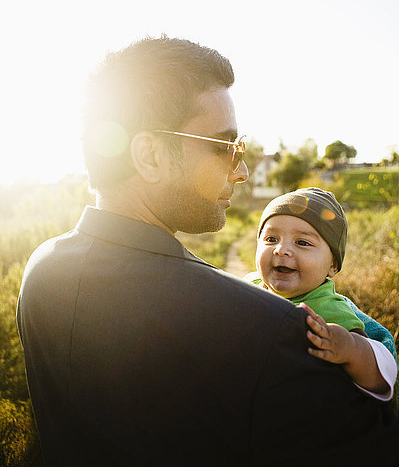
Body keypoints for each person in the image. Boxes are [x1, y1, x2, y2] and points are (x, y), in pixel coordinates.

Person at [17, 37, 399, 467]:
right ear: (151, 156)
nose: (242, 170)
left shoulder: (41, 272)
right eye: (224, 147)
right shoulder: (271, 331)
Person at [245, 187, 398, 406]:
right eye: (271, 238)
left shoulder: (328, 307)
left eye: (302, 242)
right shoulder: (249, 284)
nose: (281, 250)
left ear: (332, 265)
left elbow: (382, 372)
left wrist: (350, 348)